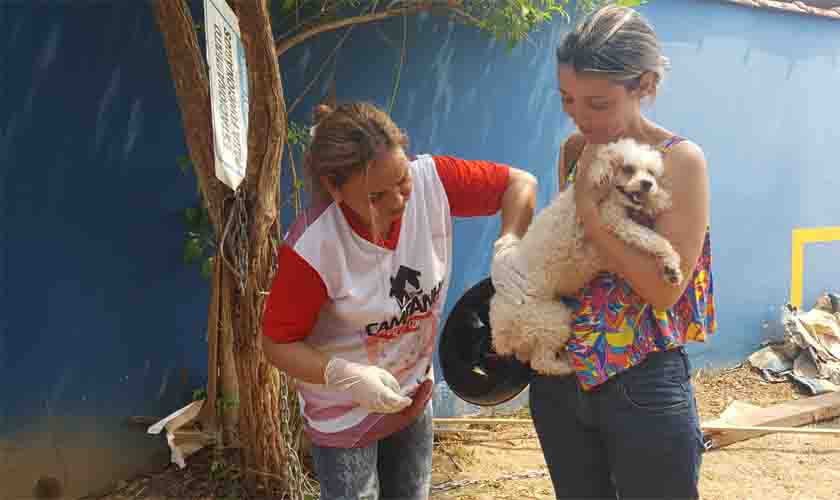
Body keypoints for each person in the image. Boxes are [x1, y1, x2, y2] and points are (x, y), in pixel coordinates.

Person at [493, 6, 716, 499]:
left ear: (645, 84)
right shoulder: (576, 149)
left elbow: (664, 289)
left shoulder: (679, 161)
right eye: (569, 100)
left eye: (598, 103)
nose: (581, 117)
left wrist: (595, 218)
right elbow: (565, 254)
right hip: (561, 381)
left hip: (641, 383)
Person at [261, 101, 538, 500]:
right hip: (344, 415)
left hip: (411, 395)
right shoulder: (315, 248)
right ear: (335, 189)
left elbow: (521, 184)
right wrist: (346, 375)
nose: (397, 201)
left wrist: (510, 240)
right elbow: (276, 343)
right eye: (376, 196)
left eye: (402, 180)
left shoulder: (433, 183)